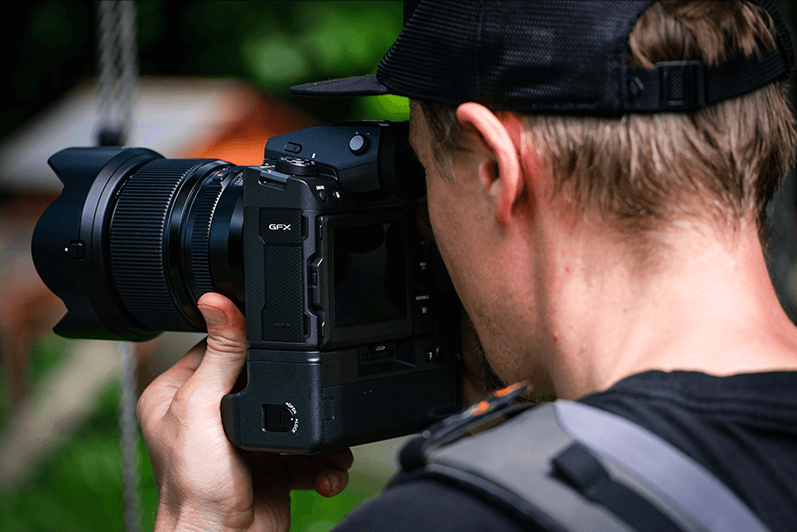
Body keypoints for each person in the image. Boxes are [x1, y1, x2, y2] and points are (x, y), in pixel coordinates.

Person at [136, 1, 797, 530]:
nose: (421, 225)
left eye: (421, 172)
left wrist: (201, 518)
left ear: (495, 171)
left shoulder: (464, 517)